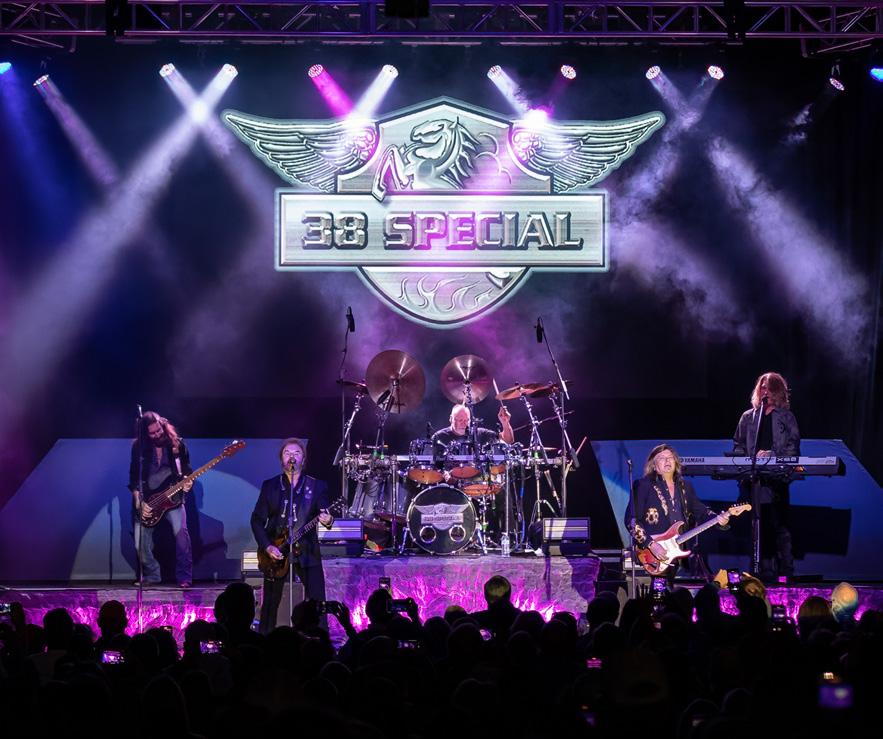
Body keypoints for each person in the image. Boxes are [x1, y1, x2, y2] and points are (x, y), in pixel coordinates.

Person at [251, 438, 333, 635]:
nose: (292, 456)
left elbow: (325, 513)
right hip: (276, 550)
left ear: (303, 458)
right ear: (281, 458)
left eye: (297, 453)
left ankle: (319, 639)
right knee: (270, 602)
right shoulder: (270, 486)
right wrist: (267, 546)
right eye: (287, 452)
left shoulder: (317, 486)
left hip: (307, 550)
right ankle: (265, 640)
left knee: (317, 599)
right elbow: (257, 520)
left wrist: (328, 519)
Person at [625, 444, 729, 580]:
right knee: (659, 588)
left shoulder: (685, 487)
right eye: (662, 458)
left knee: (672, 588)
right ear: (654, 465)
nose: (667, 461)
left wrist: (719, 519)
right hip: (653, 552)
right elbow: (631, 521)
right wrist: (651, 544)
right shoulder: (644, 485)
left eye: (670, 457)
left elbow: (701, 512)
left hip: (677, 550)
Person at [733, 371, 800, 580]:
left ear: (778, 391)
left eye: (770, 388)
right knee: (756, 527)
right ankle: (761, 573)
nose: (765, 391)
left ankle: (785, 574)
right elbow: (738, 445)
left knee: (779, 527)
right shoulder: (748, 417)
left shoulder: (787, 417)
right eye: (762, 387)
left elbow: (793, 448)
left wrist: (772, 456)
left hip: (776, 481)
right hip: (753, 481)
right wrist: (744, 464)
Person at [129, 411, 193, 588]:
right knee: (140, 542)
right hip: (148, 500)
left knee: (182, 536)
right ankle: (153, 575)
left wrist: (188, 481)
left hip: (173, 497)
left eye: (159, 430)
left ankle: (184, 577)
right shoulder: (138, 448)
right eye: (152, 433)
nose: (158, 435)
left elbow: (187, 469)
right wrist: (139, 502)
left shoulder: (177, 443)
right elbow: (134, 478)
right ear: (145, 434)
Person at [431, 403, 515, 537]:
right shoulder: (440, 437)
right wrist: (444, 474)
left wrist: (505, 423)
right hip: (452, 482)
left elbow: (508, 440)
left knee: (502, 491)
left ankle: (508, 536)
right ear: (450, 418)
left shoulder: (479, 433)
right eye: (459, 419)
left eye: (466, 420)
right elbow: (434, 465)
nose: (463, 423)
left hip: (476, 480)